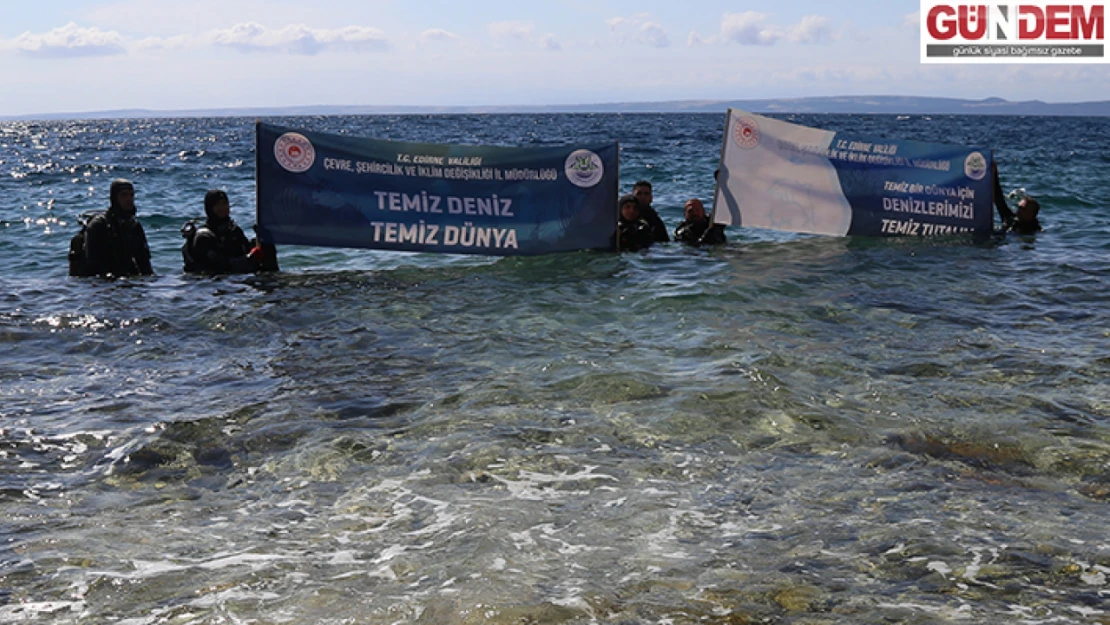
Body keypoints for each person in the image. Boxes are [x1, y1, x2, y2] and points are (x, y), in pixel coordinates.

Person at [182, 189, 276, 274]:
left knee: (266, 246)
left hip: (238, 277)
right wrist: (250, 258)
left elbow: (247, 251)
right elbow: (220, 265)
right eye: (218, 205)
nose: (222, 207)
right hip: (213, 282)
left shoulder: (234, 230)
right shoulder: (203, 237)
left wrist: (263, 242)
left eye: (224, 203)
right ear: (210, 208)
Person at [82, 179, 154, 277]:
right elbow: (92, 265)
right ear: (114, 198)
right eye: (124, 195)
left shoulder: (134, 226)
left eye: (131, 195)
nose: (129, 199)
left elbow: (145, 265)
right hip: (101, 283)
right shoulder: (99, 225)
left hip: (126, 279)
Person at [992, 162, 1042, 235]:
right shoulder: (1010, 219)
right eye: (1019, 208)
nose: (1018, 211)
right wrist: (994, 172)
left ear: (1032, 215)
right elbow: (999, 199)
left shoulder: (1035, 230)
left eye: (1023, 209)